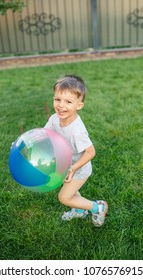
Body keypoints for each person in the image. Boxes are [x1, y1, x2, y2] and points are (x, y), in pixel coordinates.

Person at [44, 75, 108, 226]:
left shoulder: (76, 131)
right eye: (57, 99)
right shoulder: (55, 118)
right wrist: (25, 142)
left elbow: (91, 152)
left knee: (64, 197)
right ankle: (79, 211)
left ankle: (98, 207)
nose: (61, 105)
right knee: (70, 191)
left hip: (79, 169)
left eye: (68, 102)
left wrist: (73, 168)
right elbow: (44, 134)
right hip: (65, 164)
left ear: (79, 105)